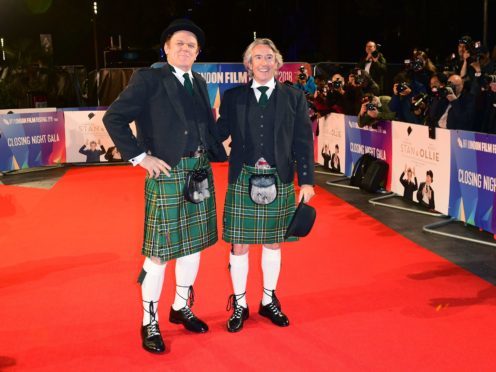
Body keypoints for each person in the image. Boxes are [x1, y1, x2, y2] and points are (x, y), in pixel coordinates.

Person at [102, 18, 226, 354]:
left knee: (193, 247)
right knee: (158, 254)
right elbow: (113, 117)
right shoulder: (149, 78)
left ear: (198, 53)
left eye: (192, 45)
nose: (186, 48)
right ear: (166, 48)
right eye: (180, 43)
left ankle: (180, 307)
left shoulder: (199, 82)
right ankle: (149, 320)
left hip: (199, 170)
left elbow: (207, 126)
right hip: (168, 174)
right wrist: (140, 157)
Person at [217, 38, 315, 333]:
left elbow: (302, 140)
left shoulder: (294, 97)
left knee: (274, 241)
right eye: (257, 57)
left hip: (280, 176)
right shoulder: (233, 97)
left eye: (269, 57)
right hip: (243, 176)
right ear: (248, 65)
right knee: (240, 244)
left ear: (277, 63)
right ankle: (240, 303)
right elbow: (218, 132)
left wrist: (307, 180)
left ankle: (268, 299)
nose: (263, 62)